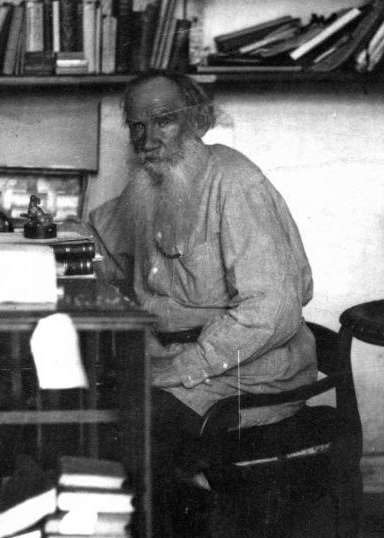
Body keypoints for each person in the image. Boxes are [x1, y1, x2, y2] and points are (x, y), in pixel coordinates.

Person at [88, 70, 317, 536]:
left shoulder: (234, 182)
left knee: (131, 431)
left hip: (244, 372)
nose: (148, 139)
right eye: (137, 126)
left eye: (163, 120)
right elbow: (104, 243)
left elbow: (271, 309)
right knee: (82, 403)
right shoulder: (151, 182)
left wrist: (183, 368)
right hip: (177, 358)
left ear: (195, 120)